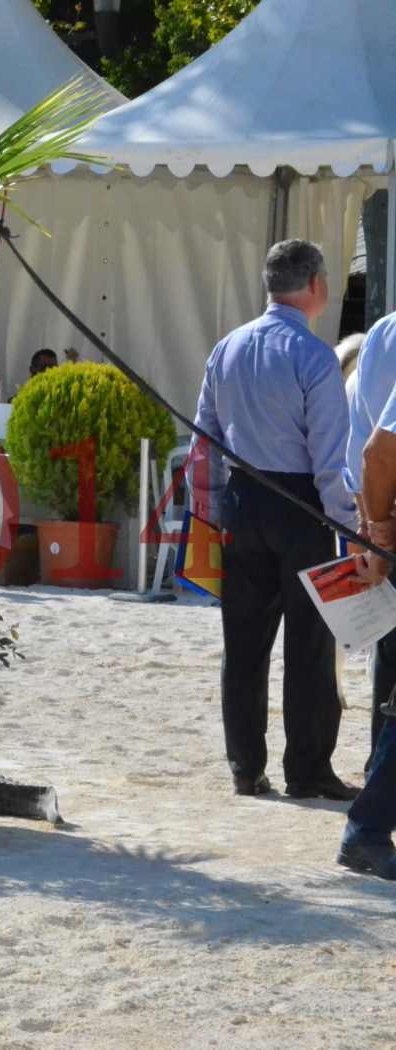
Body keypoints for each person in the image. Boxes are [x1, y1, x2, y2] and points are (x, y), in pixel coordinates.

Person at [187, 239, 356, 800]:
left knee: (244, 643)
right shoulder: (313, 357)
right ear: (314, 286)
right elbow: (330, 457)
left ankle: (245, 766)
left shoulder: (227, 348)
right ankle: (306, 770)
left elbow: (203, 439)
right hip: (301, 503)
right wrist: (349, 526)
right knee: (308, 644)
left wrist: (210, 511)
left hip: (241, 500)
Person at [340, 310, 396, 878]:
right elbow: (379, 450)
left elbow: (362, 445)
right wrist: (377, 534)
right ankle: (369, 826)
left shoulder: (384, 330)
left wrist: (369, 527)